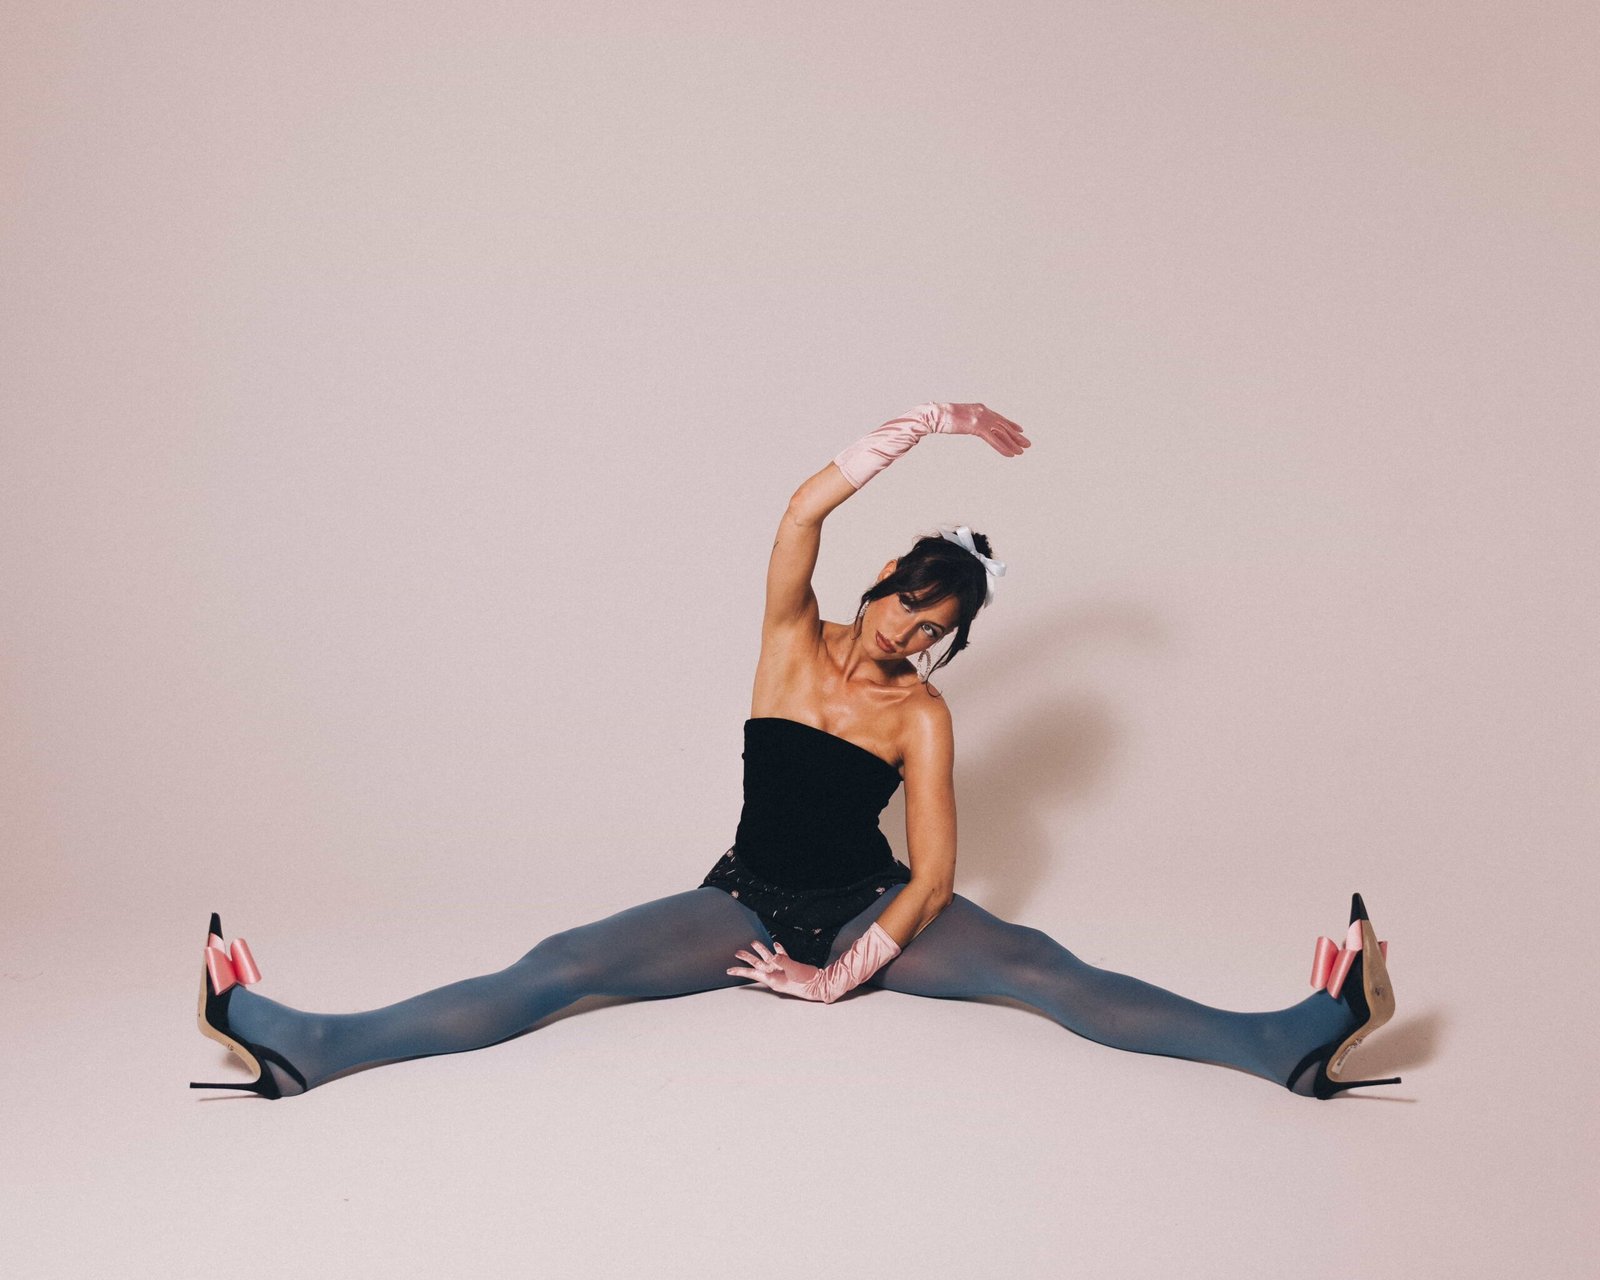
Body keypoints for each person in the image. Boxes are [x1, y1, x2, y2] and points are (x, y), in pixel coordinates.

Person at [191, 402, 1401, 1100]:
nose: (907, 636)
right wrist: (928, 422)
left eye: (934, 631)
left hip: (870, 905)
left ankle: (1283, 1040)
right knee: (561, 963)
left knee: (1042, 968)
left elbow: (933, 876)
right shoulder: (788, 638)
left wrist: (844, 970)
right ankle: (312, 1044)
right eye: (906, 605)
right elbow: (799, 510)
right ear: (882, 577)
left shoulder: (920, 714)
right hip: (746, 900)